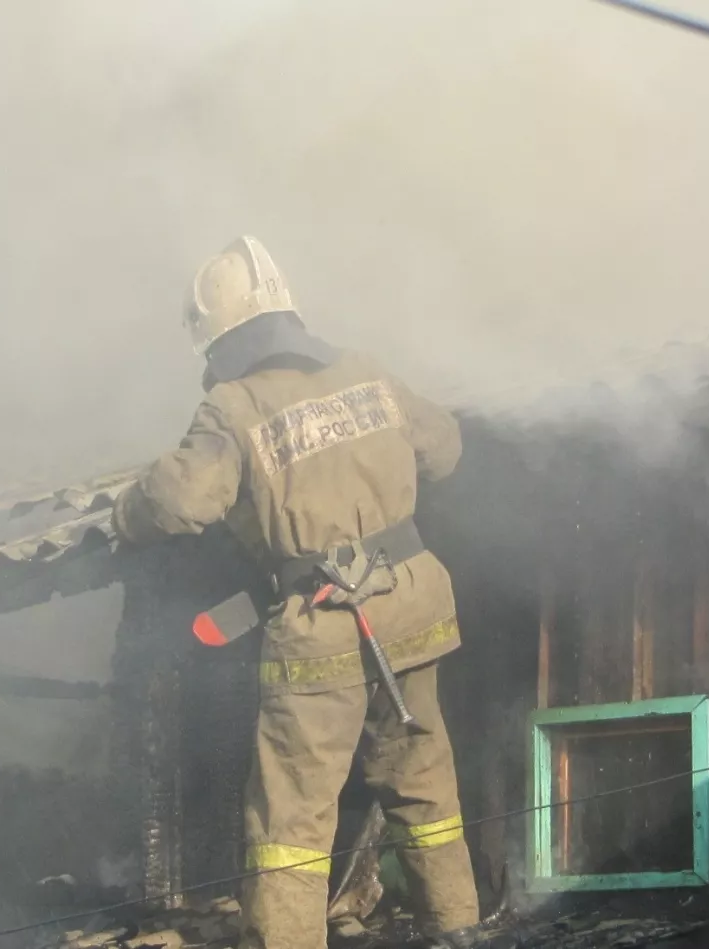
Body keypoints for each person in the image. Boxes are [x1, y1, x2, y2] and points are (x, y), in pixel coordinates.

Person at [113, 237, 480, 949]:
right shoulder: (367, 371)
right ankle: (461, 931)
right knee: (424, 781)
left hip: (324, 624)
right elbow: (445, 448)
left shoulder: (234, 404)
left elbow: (184, 500)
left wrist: (126, 512)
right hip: (412, 606)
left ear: (216, 341)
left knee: (291, 816)